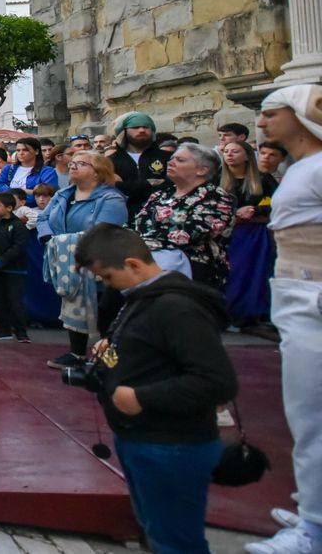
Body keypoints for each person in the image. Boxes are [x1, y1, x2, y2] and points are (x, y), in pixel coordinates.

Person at [75, 224, 237, 554]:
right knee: (158, 530)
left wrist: (141, 397)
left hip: (171, 444)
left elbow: (217, 381)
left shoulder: (176, 307)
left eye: (107, 277)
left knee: (176, 540)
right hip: (144, 439)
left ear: (133, 264)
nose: (107, 286)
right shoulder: (142, 299)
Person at [245, 85, 322, 554]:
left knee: (312, 414)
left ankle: (313, 529)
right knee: (304, 411)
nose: (262, 123)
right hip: (297, 296)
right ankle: (312, 505)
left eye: (271, 114)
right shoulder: (301, 169)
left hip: (313, 297)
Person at [38, 151, 129, 369]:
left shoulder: (110, 198)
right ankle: (77, 353)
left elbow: (104, 228)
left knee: (105, 308)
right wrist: (49, 237)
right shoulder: (63, 195)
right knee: (72, 302)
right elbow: (43, 217)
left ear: (98, 173)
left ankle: (108, 356)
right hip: (69, 261)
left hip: (100, 261)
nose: (73, 167)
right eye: (72, 163)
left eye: (81, 164)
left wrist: (64, 241)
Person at [132, 142, 235, 289]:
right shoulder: (160, 194)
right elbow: (138, 223)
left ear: (201, 170)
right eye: (172, 158)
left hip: (195, 270)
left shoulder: (215, 196)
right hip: (149, 263)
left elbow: (192, 232)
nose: (170, 162)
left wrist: (142, 244)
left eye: (180, 160)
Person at [221, 139, 279, 326]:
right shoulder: (217, 179)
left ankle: (254, 312)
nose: (229, 154)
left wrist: (255, 210)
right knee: (233, 272)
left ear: (247, 155)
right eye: (227, 151)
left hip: (255, 233)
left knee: (256, 271)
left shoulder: (262, 178)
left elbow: (278, 202)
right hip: (230, 233)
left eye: (235, 151)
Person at [0, 192, 32, 342]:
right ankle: (3, 329)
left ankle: (21, 332)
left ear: (9, 208)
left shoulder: (18, 226)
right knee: (0, 300)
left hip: (14, 269)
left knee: (15, 300)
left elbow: (19, 247)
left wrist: (2, 260)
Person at [111, 112, 171, 218]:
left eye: (146, 127)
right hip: (125, 216)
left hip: (162, 215)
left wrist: (127, 185)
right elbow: (114, 188)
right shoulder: (110, 161)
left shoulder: (169, 157)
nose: (142, 130)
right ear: (123, 131)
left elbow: (172, 184)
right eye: (135, 127)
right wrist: (149, 182)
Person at [0, 137, 60, 203]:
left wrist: (15, 197)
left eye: (25, 150)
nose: (21, 153)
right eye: (18, 150)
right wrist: (26, 191)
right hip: (8, 207)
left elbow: (45, 195)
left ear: (36, 151)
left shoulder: (47, 172)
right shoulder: (8, 169)